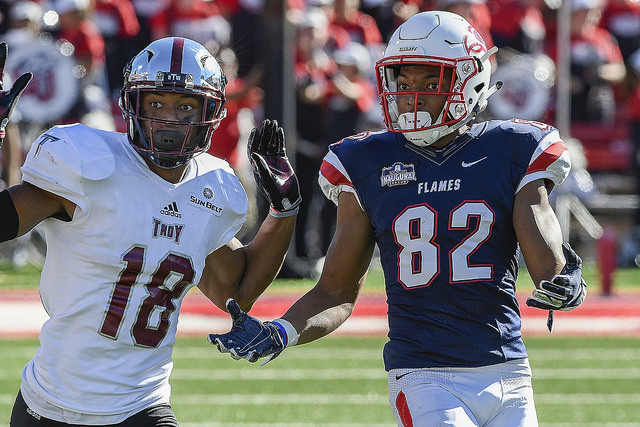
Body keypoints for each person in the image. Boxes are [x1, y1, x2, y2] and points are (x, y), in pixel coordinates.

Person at [209, 11, 588, 426]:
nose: (412, 97)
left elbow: (547, 263)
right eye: (403, 83)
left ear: (471, 80)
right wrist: (279, 332)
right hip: (424, 375)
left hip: (509, 370)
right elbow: (336, 290)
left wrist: (565, 278)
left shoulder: (513, 149)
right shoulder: (365, 160)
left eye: (430, 82)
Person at [1, 36, 301, 425]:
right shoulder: (85, 162)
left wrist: (284, 211)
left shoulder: (211, 187)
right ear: (132, 103)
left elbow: (237, 291)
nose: (168, 119)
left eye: (186, 107)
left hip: (143, 405)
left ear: (211, 112)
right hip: (50, 405)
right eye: (155, 103)